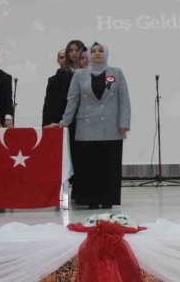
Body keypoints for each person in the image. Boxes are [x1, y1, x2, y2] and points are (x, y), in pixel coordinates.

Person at [48, 42, 130, 209]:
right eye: (93, 51)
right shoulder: (80, 74)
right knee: (89, 165)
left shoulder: (116, 73)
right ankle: (90, 200)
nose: (97, 53)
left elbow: (124, 99)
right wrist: (65, 122)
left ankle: (108, 200)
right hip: (86, 127)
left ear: (106, 53)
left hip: (111, 127)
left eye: (100, 51)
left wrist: (124, 123)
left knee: (109, 165)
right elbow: (72, 100)